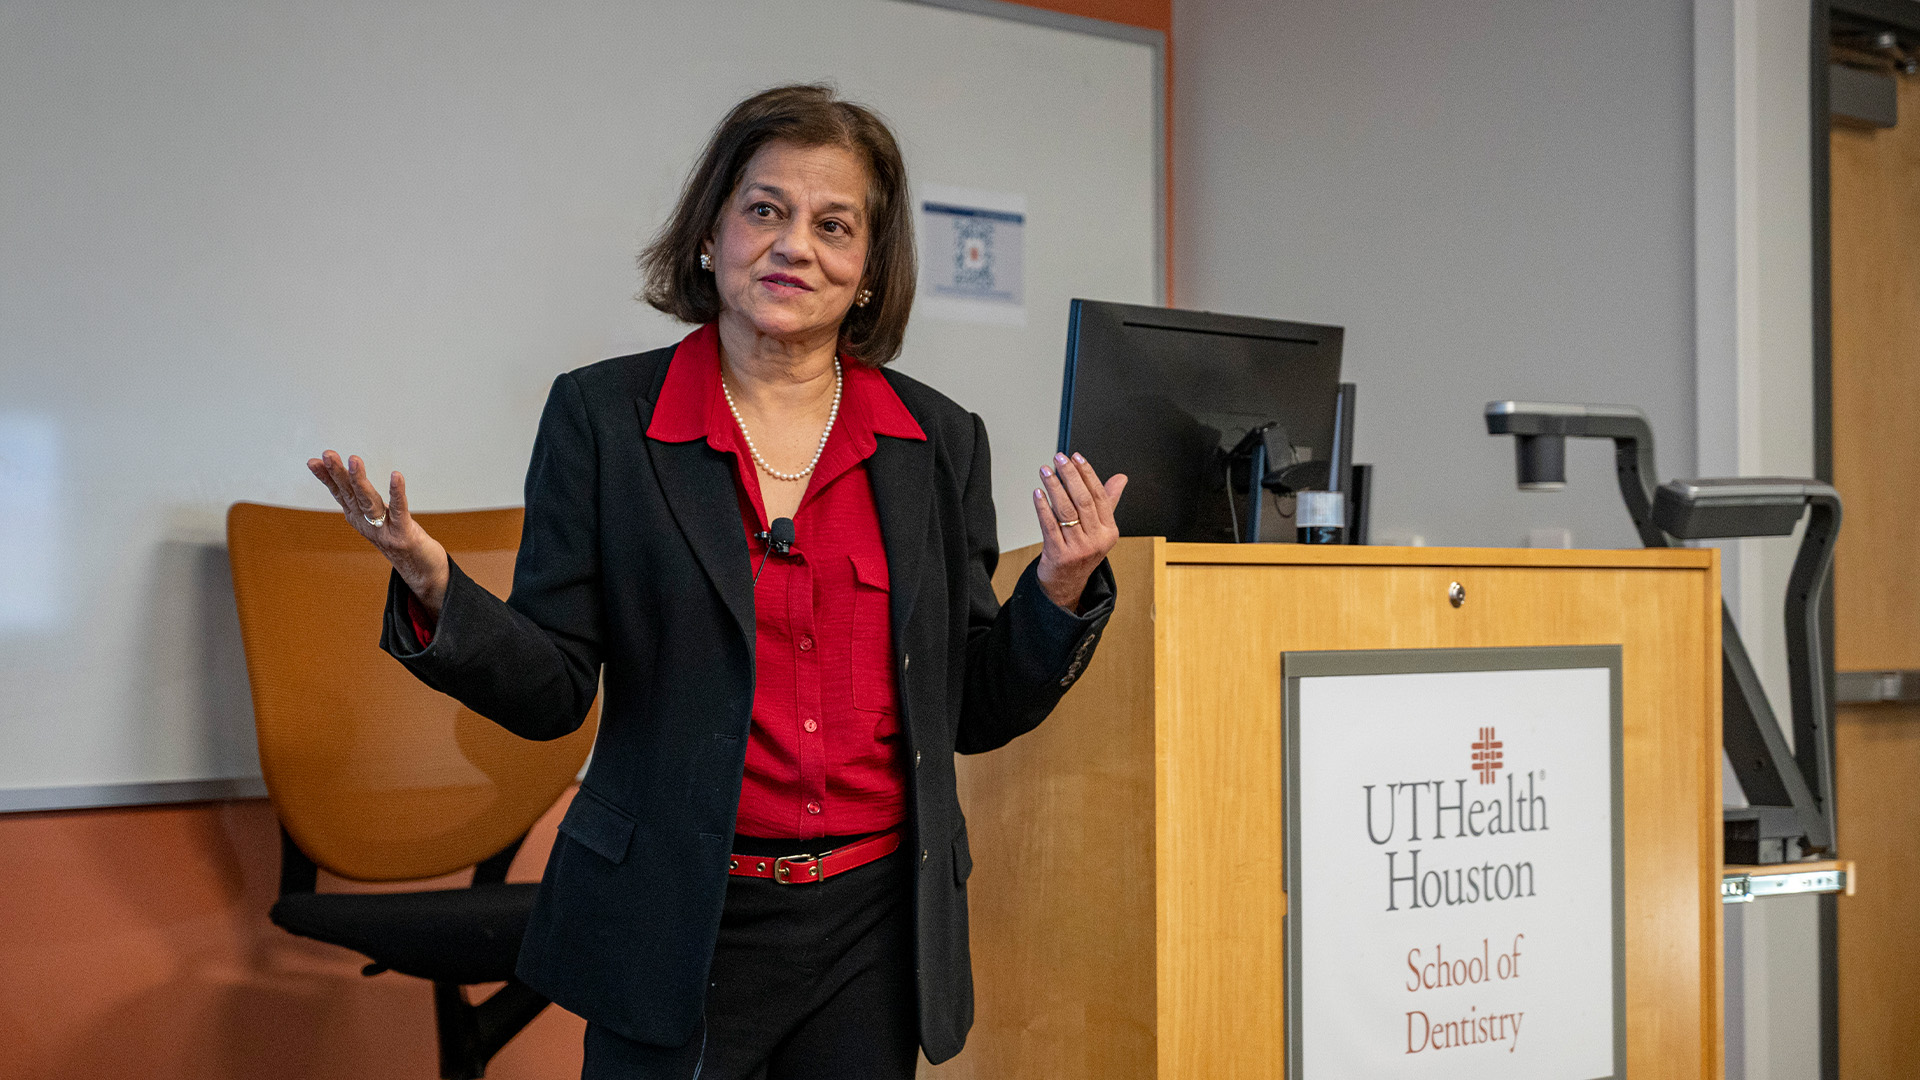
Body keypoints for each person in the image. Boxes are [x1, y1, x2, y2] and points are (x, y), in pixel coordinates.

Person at [306, 84, 1124, 1079]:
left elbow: (975, 707)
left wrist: (1060, 590)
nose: (795, 246)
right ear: (710, 233)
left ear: (869, 270)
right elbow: (555, 690)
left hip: (872, 928)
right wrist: (439, 591)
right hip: (676, 920)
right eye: (765, 210)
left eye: (834, 225)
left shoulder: (937, 442)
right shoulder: (605, 419)